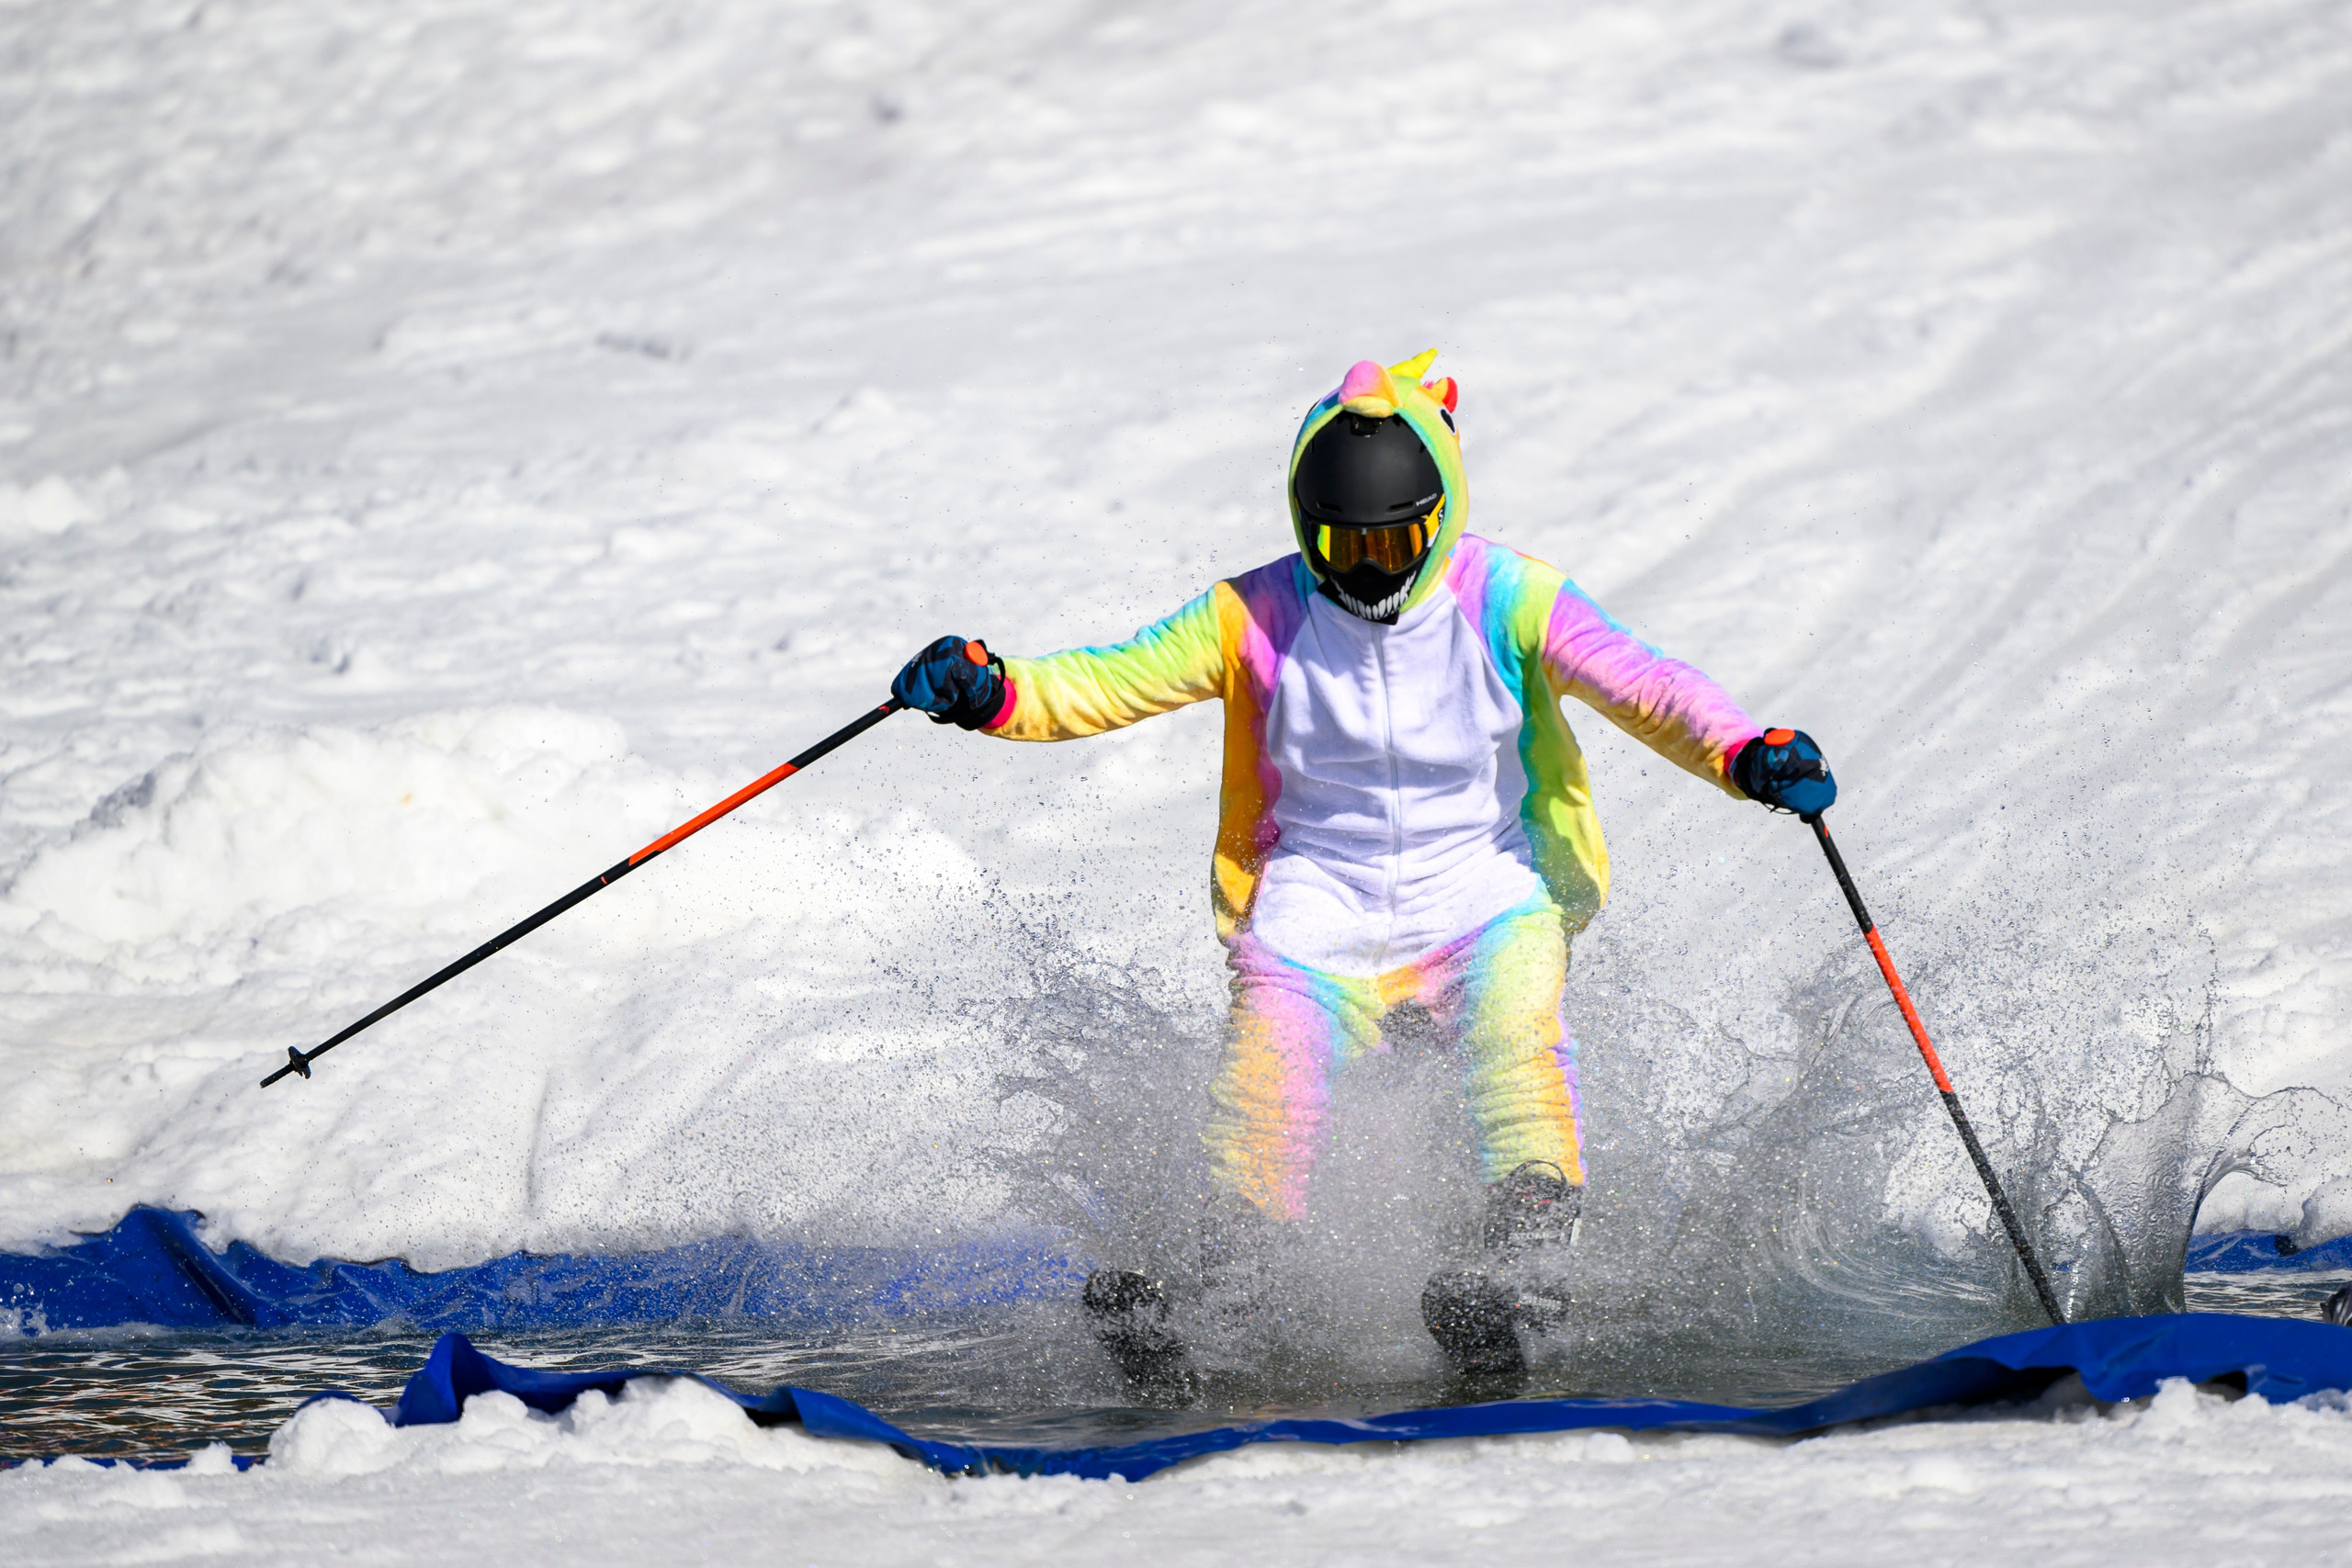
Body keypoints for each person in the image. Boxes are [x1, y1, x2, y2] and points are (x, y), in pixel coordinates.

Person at [891, 351, 1835, 1378]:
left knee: (1515, 1043)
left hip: (1483, 892)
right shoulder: (1251, 613)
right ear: (1309, 528)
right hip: (1317, 909)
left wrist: (1742, 753)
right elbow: (1107, 682)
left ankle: (1516, 1267)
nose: (1374, 567)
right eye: (1347, 545)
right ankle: (1224, 1288)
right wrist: (992, 694)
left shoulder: (1509, 597)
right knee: (1263, 1088)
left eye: (1397, 542)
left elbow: (1649, 686)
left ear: (1439, 517)